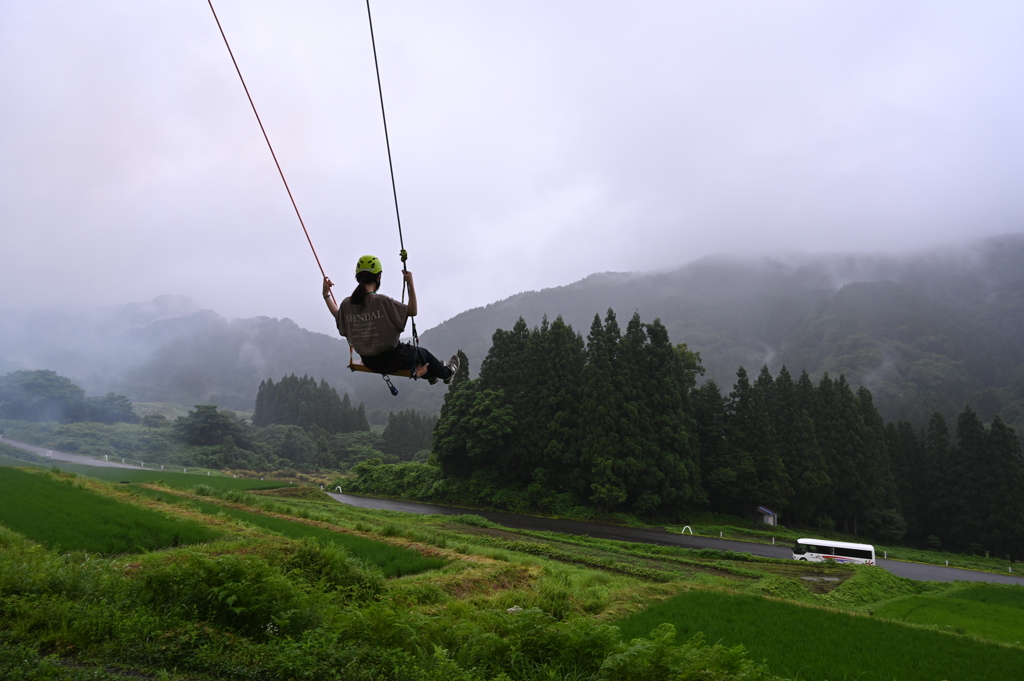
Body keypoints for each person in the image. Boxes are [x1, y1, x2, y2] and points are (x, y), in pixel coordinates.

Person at [324, 254, 458, 385]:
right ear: (378, 277)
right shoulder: (382, 301)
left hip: (369, 361)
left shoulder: (347, 304)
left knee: (417, 358)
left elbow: (337, 313)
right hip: (392, 360)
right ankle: (448, 374)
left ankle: (431, 375)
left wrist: (326, 294)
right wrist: (410, 283)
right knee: (424, 355)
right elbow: (413, 311)